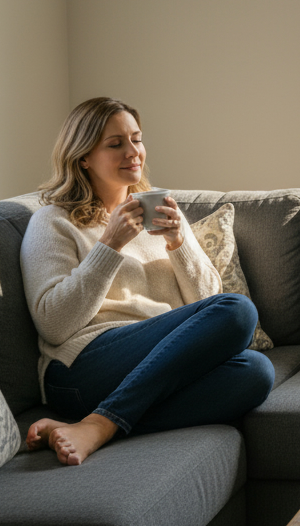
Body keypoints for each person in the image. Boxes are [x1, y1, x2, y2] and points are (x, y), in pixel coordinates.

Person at [20, 97, 273, 466]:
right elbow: (54, 325)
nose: (132, 152)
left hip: (151, 364)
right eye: (115, 143)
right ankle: (98, 422)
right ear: (83, 157)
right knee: (238, 309)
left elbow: (206, 302)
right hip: (82, 368)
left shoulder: (161, 211)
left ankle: (98, 424)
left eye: (136, 139)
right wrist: (110, 244)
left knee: (256, 373)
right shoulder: (53, 222)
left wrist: (178, 243)